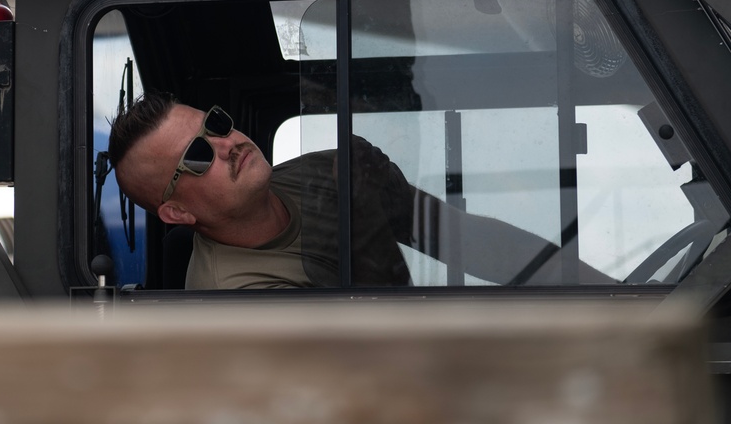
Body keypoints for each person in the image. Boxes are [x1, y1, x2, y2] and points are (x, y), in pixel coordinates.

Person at [109, 93, 610, 289]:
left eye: (215, 125)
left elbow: (478, 244)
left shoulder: (317, 173)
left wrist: (611, 296)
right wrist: (366, 215)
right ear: (175, 212)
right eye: (197, 156)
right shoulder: (239, 298)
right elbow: (388, 367)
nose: (226, 145)